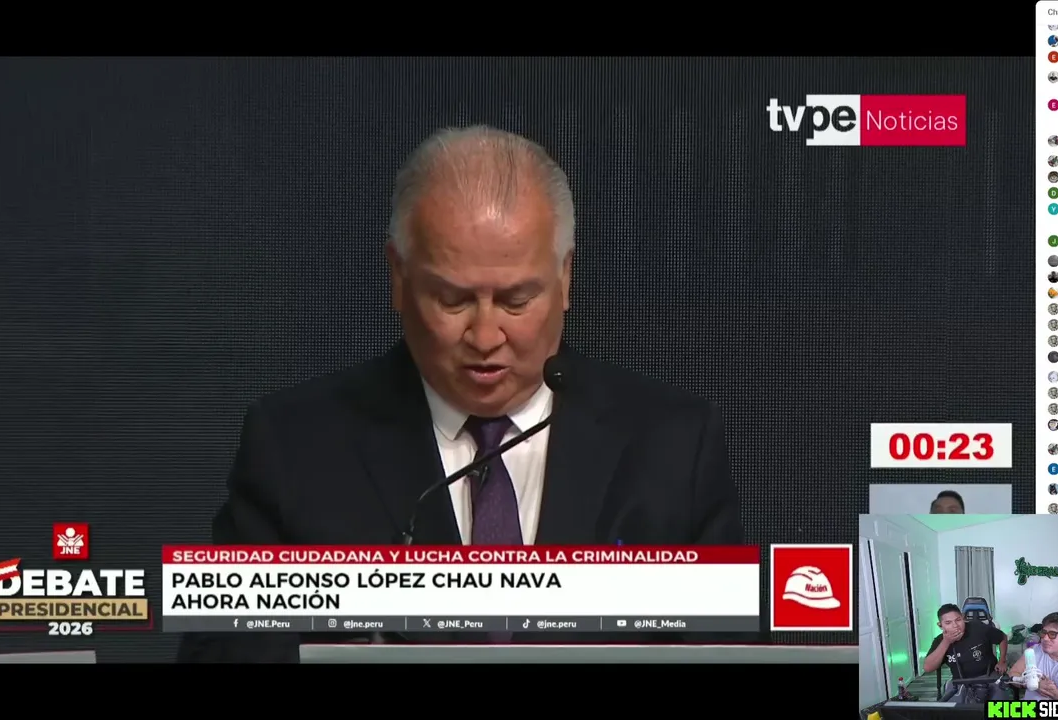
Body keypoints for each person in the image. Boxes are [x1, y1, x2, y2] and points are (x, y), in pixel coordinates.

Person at [176, 126, 747, 662]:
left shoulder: (673, 448)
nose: (485, 336)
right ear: (398, 277)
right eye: (453, 301)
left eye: (516, 301)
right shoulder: (294, 447)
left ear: (565, 277)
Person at [924, 604, 1009, 700]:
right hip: (960, 681)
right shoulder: (940, 641)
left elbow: (1002, 637)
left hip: (988, 676)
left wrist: (1002, 661)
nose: (955, 625)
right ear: (940, 625)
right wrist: (946, 642)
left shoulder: (978, 628)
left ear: (963, 617)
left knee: (999, 706)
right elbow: (928, 668)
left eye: (958, 620)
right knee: (953, 707)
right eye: (948, 623)